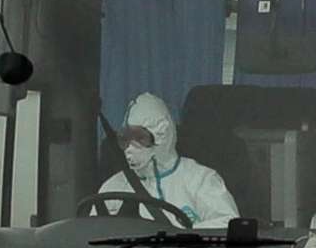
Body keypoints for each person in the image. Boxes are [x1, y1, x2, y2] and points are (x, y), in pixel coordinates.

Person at [95, 92, 237, 227]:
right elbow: (93, 233)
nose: (130, 148)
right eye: (125, 139)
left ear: (162, 136)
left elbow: (228, 224)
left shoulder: (200, 180)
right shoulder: (114, 187)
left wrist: (182, 234)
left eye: (140, 138)